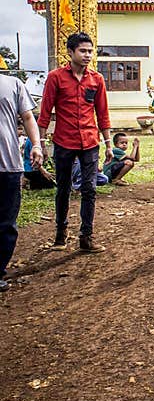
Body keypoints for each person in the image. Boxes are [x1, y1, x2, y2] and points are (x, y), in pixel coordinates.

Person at [37, 31, 112, 253]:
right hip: (64, 141)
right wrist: (40, 143)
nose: (88, 55)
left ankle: (86, 237)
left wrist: (108, 143)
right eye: (83, 51)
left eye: (90, 51)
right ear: (70, 52)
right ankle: (61, 233)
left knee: (89, 189)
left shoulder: (96, 79)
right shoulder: (56, 77)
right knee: (63, 189)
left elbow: (103, 113)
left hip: (90, 141)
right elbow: (45, 112)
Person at [1, 73, 43, 291]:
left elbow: (28, 117)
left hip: (8, 164)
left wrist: (36, 144)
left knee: (6, 223)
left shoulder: (12, 84)